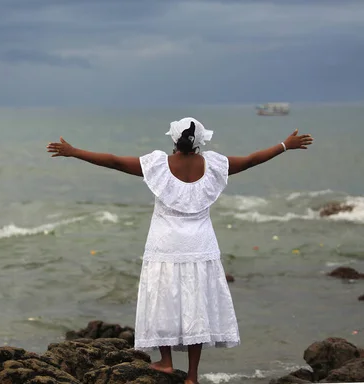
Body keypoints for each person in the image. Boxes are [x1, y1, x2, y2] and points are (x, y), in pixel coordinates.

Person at [46, 117, 313, 384]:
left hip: (165, 246)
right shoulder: (214, 165)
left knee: (165, 301)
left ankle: (166, 363)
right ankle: (193, 376)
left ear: (174, 139)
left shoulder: (158, 165)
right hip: (201, 246)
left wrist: (74, 152)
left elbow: (114, 161)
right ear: (200, 142)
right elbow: (253, 159)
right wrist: (284, 145)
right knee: (195, 307)